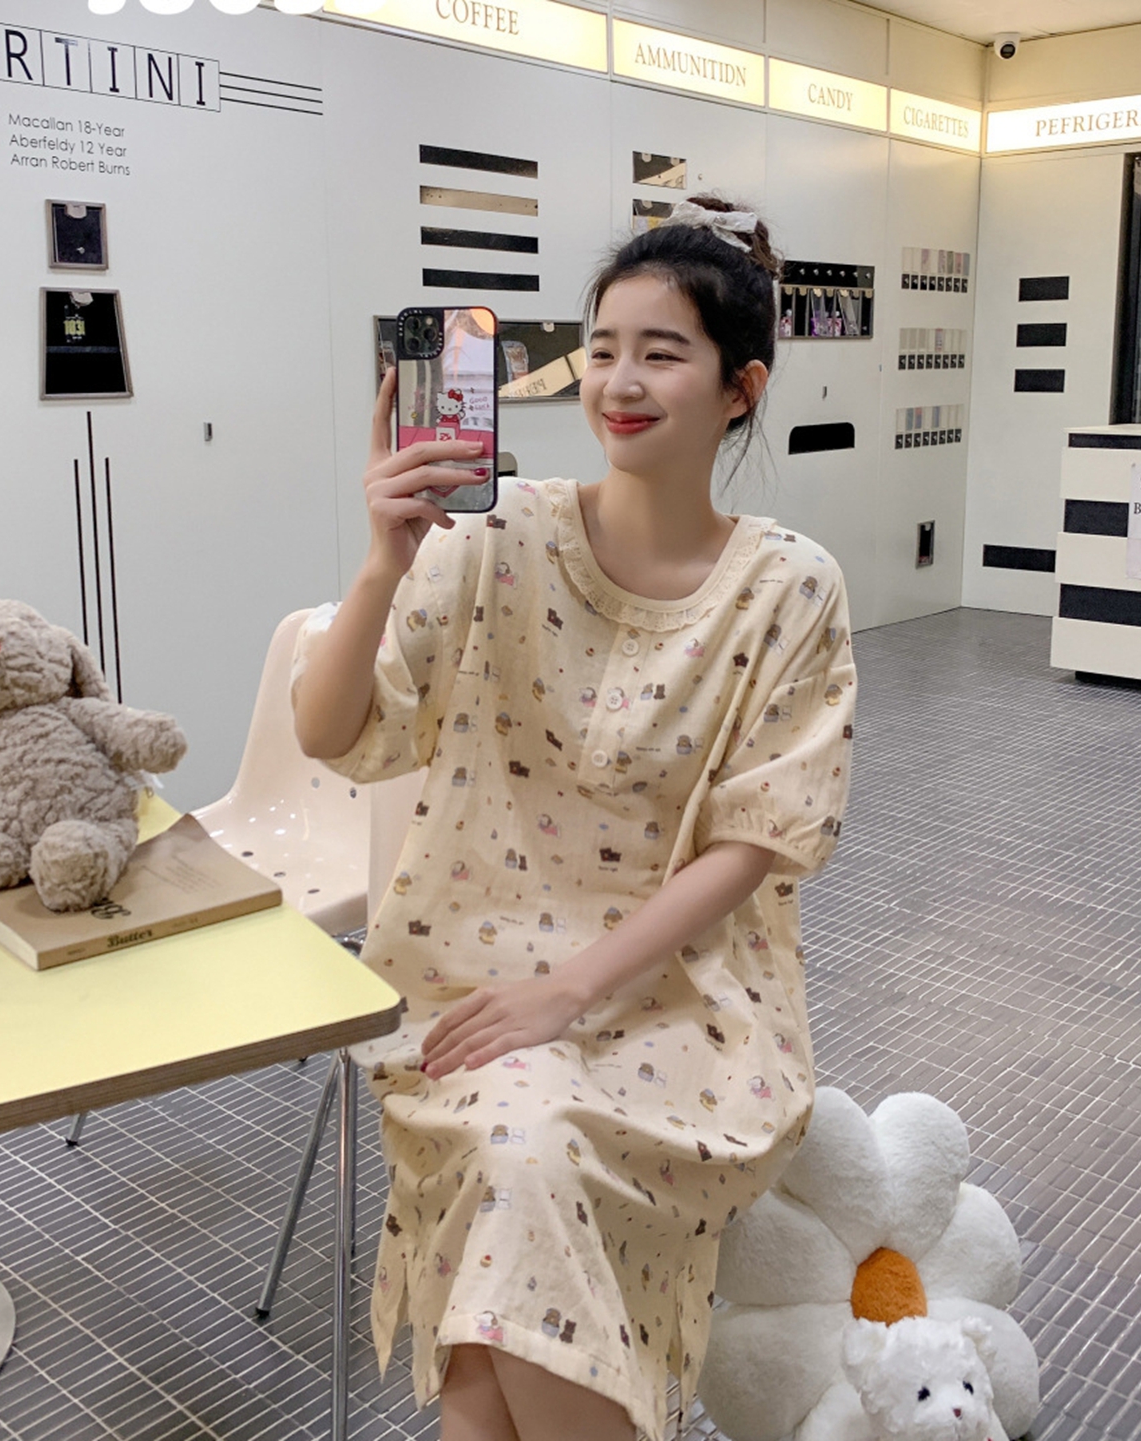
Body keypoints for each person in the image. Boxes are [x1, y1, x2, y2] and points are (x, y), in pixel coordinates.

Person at [292, 194, 856, 1441]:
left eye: (663, 352)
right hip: (470, 977)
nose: (621, 381)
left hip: (687, 999)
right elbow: (331, 734)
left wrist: (570, 992)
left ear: (742, 388)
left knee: (507, 1225)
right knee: (518, 1169)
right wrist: (383, 558)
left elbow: (758, 838)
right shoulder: (496, 536)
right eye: (602, 349)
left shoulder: (789, 587)